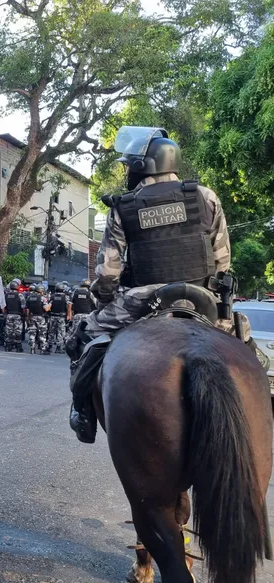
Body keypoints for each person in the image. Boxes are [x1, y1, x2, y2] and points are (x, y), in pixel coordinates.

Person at [68, 126, 263, 444]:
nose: (127, 169)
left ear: (143, 164)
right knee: (243, 340)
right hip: (204, 300)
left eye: (129, 163)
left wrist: (103, 298)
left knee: (84, 334)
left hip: (143, 300)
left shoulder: (123, 206)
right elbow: (223, 260)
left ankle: (83, 413)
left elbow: (108, 274)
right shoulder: (205, 196)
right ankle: (264, 400)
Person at [24, 283, 49, 354]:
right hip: (41, 317)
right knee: (42, 333)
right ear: (41, 291)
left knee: (32, 333)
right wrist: (50, 304)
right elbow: (46, 309)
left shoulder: (29, 297)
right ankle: (42, 349)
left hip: (32, 317)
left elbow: (27, 309)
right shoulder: (43, 298)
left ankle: (32, 349)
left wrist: (28, 317)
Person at [46, 282, 70, 353]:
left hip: (53, 316)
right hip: (61, 317)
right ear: (63, 289)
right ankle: (59, 348)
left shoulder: (52, 296)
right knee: (60, 332)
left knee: (51, 331)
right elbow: (69, 306)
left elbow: (49, 306)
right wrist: (69, 315)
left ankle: (49, 346)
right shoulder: (66, 297)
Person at [3, 279, 25, 352]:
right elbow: (23, 307)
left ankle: (8, 346)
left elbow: (3, 307)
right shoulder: (20, 295)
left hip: (9, 315)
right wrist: (24, 315)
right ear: (17, 287)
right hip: (17, 315)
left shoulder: (6, 295)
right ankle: (18, 347)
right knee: (17, 331)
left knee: (8, 331)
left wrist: (5, 314)